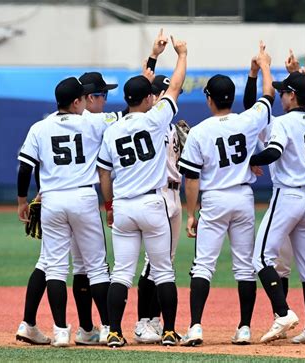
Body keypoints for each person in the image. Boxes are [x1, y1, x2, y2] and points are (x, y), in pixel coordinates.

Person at [177, 43, 274, 347]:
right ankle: (244, 328)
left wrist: (191, 213)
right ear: (230, 98)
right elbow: (268, 96)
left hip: (215, 199)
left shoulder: (200, 132)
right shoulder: (247, 121)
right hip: (243, 197)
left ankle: (195, 327)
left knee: (203, 265)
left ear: (209, 99)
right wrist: (261, 68)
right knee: (244, 266)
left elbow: (191, 178)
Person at [96, 35, 187, 348]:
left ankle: (114, 332)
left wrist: (108, 204)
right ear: (149, 98)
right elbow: (173, 87)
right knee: (163, 270)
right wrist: (182, 55)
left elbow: (104, 174)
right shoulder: (156, 119)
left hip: (122, 205)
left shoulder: (112, 129)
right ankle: (170, 331)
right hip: (152, 202)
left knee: (122, 273)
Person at [243, 52, 305, 341]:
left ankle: (283, 313)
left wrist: (249, 160)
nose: (281, 96)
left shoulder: (283, 123)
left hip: (288, 197)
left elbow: (273, 152)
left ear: (293, 96)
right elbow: (255, 111)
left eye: (284, 92)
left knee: (259, 258)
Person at [17, 77, 115, 347]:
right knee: (96, 266)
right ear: (76, 102)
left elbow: (26, 167)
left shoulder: (40, 127)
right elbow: (127, 115)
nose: (86, 102)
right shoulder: (92, 122)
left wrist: (21, 201)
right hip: (82, 196)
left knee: (55, 269)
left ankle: (61, 330)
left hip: (52, 200)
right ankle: (107, 328)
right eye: (83, 98)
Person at [134, 74, 185, 344]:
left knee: (166, 262)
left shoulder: (171, 127)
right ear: (151, 97)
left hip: (175, 196)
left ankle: (158, 323)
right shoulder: (148, 125)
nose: (168, 95)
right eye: (162, 92)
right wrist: (150, 64)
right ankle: (146, 322)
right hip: (159, 194)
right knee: (153, 263)